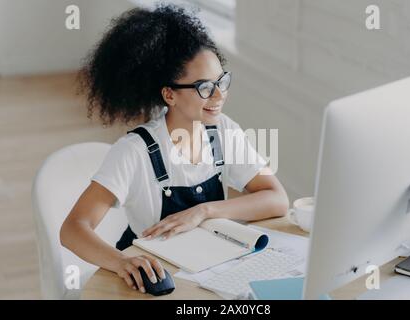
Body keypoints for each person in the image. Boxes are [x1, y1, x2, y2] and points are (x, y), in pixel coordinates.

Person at [60, 4, 289, 294]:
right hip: (153, 282)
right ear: (169, 94)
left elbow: (277, 198)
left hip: (208, 271)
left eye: (222, 82)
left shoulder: (224, 130)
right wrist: (122, 263)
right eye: (205, 87)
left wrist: (204, 211)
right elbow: (73, 229)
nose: (219, 96)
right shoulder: (134, 151)